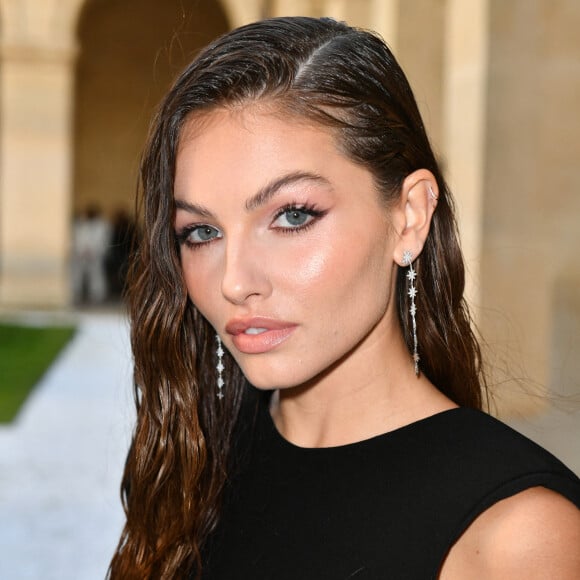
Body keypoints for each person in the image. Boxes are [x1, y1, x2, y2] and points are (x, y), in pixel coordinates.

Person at [109, 17, 580, 579]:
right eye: (202, 233)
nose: (234, 281)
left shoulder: (518, 535)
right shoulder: (193, 458)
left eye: (291, 216)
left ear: (409, 217)